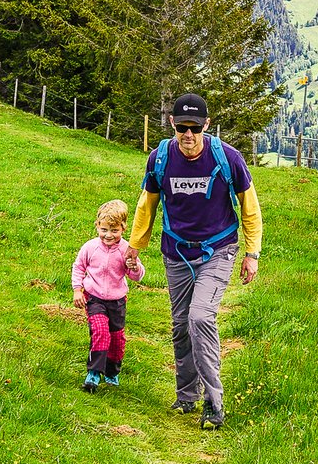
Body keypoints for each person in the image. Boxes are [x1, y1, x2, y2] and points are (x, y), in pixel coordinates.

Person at [127, 93, 262, 430]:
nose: (188, 135)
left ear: (207, 124)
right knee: (180, 326)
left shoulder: (227, 158)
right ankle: (185, 396)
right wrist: (135, 246)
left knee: (200, 318)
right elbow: (147, 205)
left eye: (195, 128)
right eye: (182, 127)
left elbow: (250, 207)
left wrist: (252, 253)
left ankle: (214, 404)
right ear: (172, 123)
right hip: (176, 251)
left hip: (218, 249)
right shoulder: (160, 159)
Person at [71, 199, 146, 393]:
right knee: (100, 332)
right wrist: (77, 289)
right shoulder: (90, 247)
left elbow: (136, 275)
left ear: (123, 228)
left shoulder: (126, 249)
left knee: (116, 339)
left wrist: (134, 266)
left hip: (117, 301)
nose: (108, 235)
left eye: (114, 231)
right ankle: (93, 373)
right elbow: (79, 267)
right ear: (97, 226)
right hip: (94, 298)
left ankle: (112, 372)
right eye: (104, 230)